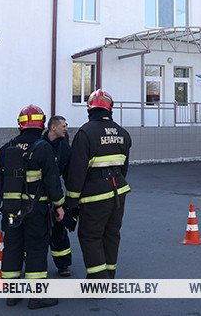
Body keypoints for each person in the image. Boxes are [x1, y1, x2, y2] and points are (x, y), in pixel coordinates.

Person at [0, 105, 64, 309]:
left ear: (20, 125)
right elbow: (52, 182)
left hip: (10, 210)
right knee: (35, 248)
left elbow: (1, 182)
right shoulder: (43, 148)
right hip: (36, 210)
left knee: (13, 248)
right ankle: (36, 297)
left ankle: (12, 295)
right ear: (42, 124)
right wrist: (59, 206)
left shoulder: (6, 149)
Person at [64, 89, 131, 280]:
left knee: (90, 236)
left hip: (95, 195)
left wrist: (71, 205)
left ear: (89, 109)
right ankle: (109, 276)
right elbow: (124, 167)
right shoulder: (123, 133)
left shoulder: (85, 133)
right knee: (112, 235)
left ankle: (97, 283)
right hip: (119, 191)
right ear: (110, 108)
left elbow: (76, 173)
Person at [44, 115, 72, 277]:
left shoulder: (65, 149)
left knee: (59, 232)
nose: (66, 128)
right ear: (53, 127)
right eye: (63, 126)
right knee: (37, 233)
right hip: (39, 197)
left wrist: (70, 202)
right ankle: (33, 265)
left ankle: (64, 265)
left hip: (58, 197)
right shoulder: (40, 145)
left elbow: (69, 175)